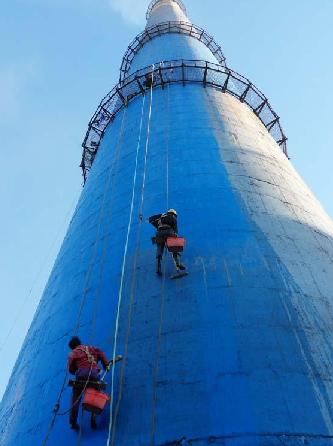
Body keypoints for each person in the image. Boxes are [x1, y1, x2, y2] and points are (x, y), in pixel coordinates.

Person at [67, 336, 120, 430]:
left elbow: (71, 369)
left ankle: (73, 422)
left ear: (73, 347)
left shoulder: (73, 352)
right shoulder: (92, 348)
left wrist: (76, 370)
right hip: (94, 375)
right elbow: (101, 354)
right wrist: (105, 365)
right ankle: (93, 418)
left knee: (76, 398)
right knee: (95, 395)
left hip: (81, 375)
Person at [149, 209, 186, 275]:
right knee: (174, 247)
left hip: (159, 234)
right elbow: (175, 228)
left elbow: (150, 219)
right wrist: (175, 236)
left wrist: (160, 217)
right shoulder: (172, 217)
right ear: (173, 214)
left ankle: (158, 268)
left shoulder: (160, 218)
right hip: (169, 232)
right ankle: (178, 264)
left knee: (159, 249)